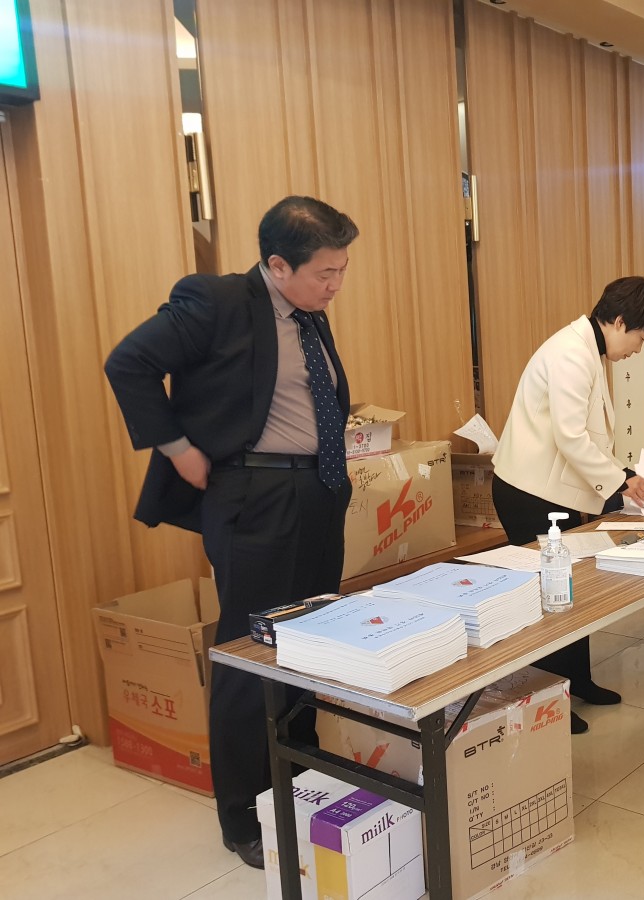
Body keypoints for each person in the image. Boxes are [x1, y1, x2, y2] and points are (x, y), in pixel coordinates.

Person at [104, 196, 359, 868]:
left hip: (318, 492)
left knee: (309, 639)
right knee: (251, 651)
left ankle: (297, 777)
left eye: (342, 270)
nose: (336, 284)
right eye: (326, 273)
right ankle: (243, 811)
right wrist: (177, 448)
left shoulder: (307, 313)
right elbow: (127, 364)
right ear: (278, 265)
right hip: (256, 498)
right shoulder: (214, 301)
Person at [491, 276, 644, 735]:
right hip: (529, 492)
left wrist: (621, 475)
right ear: (620, 322)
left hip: (551, 490)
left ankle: (577, 681)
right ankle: (550, 699)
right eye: (641, 339)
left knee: (571, 589)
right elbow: (571, 437)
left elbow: (588, 436)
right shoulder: (572, 353)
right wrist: (620, 482)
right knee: (549, 596)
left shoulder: (587, 347)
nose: (638, 350)